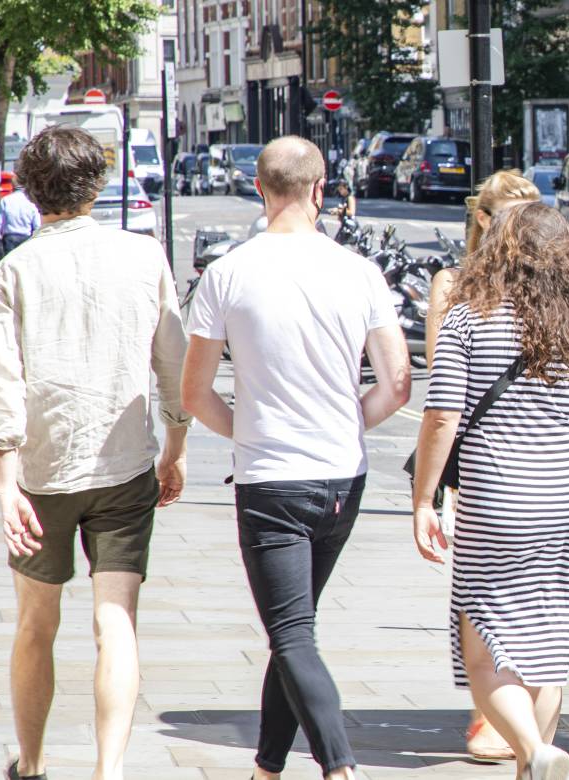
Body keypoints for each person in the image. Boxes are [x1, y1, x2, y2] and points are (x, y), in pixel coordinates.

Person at [181, 136, 411, 780]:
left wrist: (247, 429)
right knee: (294, 628)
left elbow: (194, 393)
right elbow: (397, 385)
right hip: (342, 477)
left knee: (291, 634)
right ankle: (267, 768)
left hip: (272, 480)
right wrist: (342, 423)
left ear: (260, 189)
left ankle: (339, 766)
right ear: (320, 188)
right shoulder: (360, 271)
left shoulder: (228, 272)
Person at [410, 202, 569, 780]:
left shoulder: (470, 318)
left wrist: (424, 500)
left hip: (497, 497)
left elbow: (442, 416)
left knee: (485, 647)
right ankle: (534, 769)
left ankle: (533, 750)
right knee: (547, 650)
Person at [0, 126, 191, 780]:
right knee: (116, 621)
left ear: (29, 190)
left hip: (42, 473)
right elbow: (172, 362)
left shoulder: (8, 274)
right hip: (125, 464)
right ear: (96, 185)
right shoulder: (144, 256)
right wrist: (175, 445)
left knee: (35, 625)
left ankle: (35, 763)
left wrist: (6, 483)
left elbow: (3, 385)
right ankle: (110, 769)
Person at [419, 168, 540, 762]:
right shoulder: (564, 287)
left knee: (483, 592)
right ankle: (526, 734)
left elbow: (445, 392)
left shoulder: (454, 285)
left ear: (481, 220)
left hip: (482, 459)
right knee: (540, 599)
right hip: (551, 464)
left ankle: (492, 719)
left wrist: (427, 493)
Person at [0, 185, 41, 259]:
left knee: (9, 262)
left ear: (13, 188)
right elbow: (37, 224)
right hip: (25, 237)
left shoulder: (6, 200)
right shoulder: (31, 202)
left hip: (10, 237)